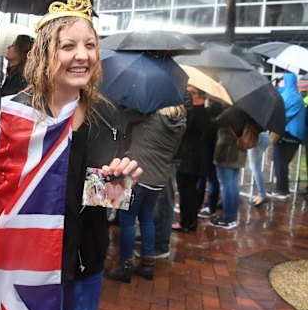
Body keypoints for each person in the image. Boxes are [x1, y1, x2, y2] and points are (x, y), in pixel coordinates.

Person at [0, 0, 143, 310]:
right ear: (46, 53)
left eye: (90, 45)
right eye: (69, 46)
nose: (83, 55)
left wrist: (120, 183)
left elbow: (102, 201)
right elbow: (3, 198)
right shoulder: (13, 112)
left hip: (83, 263)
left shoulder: (107, 116)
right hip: (24, 264)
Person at [104, 104, 186, 283]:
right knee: (147, 219)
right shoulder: (181, 121)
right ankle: (147, 264)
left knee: (127, 220)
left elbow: (121, 118)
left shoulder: (147, 115)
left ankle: (124, 266)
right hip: (159, 179)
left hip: (138, 176)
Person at [0, 34, 34, 166]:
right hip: (0, 143)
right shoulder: (12, 76)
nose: (9, 47)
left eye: (14, 45)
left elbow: (5, 103)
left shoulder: (23, 78)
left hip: (8, 148)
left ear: (22, 51)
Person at [173, 85, 212, 233]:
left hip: (189, 159)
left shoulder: (194, 113)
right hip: (198, 159)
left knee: (186, 192)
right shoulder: (205, 113)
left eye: (190, 92)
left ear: (197, 95)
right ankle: (190, 222)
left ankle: (186, 223)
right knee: (190, 192)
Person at [210, 105, 257, 229]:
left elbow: (214, 124)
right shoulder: (249, 110)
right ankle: (232, 216)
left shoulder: (232, 111)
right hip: (239, 153)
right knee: (233, 184)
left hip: (226, 153)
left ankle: (229, 217)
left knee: (227, 186)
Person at [268, 73, 305, 200]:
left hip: (289, 136)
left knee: (280, 162)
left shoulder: (293, 96)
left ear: (288, 81)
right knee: (279, 162)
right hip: (288, 135)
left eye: (283, 80)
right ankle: (281, 188)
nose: (280, 82)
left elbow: (282, 113)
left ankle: (282, 190)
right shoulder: (289, 94)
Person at [249, 131, 270, 207]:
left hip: (256, 137)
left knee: (255, 167)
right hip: (263, 136)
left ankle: (262, 194)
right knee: (256, 167)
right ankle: (261, 194)